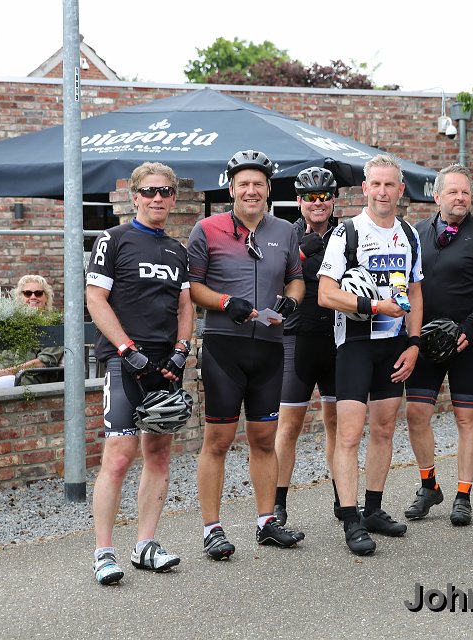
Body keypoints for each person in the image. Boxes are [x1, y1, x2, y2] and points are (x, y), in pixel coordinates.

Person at [188, 150, 306, 561]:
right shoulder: (207, 229)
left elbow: (295, 278)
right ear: (232, 189)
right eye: (244, 184)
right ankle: (212, 529)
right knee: (218, 440)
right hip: (225, 346)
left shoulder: (285, 231)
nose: (251, 191)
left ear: (268, 189)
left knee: (264, 439)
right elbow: (193, 287)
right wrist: (225, 302)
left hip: (269, 347)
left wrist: (292, 300)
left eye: (258, 184)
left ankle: (266, 521)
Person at [86, 162, 194, 585]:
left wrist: (182, 350)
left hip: (165, 365)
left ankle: (145, 544)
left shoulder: (177, 250)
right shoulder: (112, 239)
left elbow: (185, 307)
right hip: (124, 361)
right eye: (149, 191)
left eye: (165, 191)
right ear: (134, 197)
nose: (157, 198)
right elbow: (96, 299)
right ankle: (103, 553)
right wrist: (126, 350)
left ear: (173, 198)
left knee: (159, 454)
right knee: (118, 456)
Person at [318, 153, 424, 556]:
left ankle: (374, 509)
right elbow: (325, 294)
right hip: (355, 345)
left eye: (389, 184)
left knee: (383, 429)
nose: (382, 191)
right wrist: (374, 306)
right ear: (365, 188)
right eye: (375, 184)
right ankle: (351, 518)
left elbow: (416, 292)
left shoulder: (409, 234)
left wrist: (414, 343)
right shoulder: (347, 233)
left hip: (394, 346)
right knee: (348, 435)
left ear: (400, 190)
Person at [402, 164, 473, 527]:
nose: (460, 198)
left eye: (465, 192)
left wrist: (470, 327)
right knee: (416, 414)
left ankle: (463, 495)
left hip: (465, 342)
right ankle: (429, 486)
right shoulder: (416, 233)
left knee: (466, 418)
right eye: (453, 192)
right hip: (424, 342)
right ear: (437, 196)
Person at [273, 167, 339, 526]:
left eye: (324, 196)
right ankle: (278, 504)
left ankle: (343, 499)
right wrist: (300, 253)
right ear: (299, 201)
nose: (318, 203)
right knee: (289, 427)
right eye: (311, 197)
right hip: (296, 339)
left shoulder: (346, 235)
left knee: (337, 425)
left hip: (337, 341)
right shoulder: (285, 235)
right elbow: (269, 280)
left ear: (333, 200)